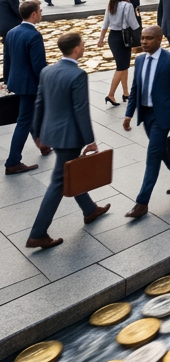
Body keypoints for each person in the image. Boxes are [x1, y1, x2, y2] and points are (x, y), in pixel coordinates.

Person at [24, 32, 109, 248]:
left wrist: (37, 133)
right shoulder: (78, 75)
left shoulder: (47, 71)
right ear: (77, 49)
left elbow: (39, 103)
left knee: (70, 173)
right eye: (83, 44)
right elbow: (81, 109)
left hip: (52, 132)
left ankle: (90, 210)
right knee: (58, 182)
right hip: (70, 137)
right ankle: (38, 233)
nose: (84, 46)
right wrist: (90, 140)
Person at [122, 25, 170, 219]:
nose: (143, 42)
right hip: (146, 115)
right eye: (142, 38)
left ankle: (142, 202)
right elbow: (135, 89)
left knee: (152, 156)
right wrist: (129, 114)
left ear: (160, 39)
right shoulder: (140, 60)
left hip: (164, 116)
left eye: (149, 38)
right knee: (160, 151)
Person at [4, 1, 48, 175]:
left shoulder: (11, 32)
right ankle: (13, 161)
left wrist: (8, 80)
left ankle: (42, 144)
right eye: (40, 10)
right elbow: (38, 66)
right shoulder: (34, 36)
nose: (41, 12)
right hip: (30, 85)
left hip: (16, 82)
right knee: (24, 120)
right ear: (34, 14)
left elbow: (7, 59)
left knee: (27, 115)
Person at [98, 0, 140, 107]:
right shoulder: (127, 6)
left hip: (113, 37)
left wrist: (101, 39)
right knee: (121, 67)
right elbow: (133, 24)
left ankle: (126, 93)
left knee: (123, 65)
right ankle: (111, 94)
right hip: (124, 38)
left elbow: (105, 24)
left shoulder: (111, 5)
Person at [0, 0, 19, 84]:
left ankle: (7, 77)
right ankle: (10, 77)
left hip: (3, 27)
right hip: (11, 27)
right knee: (12, 53)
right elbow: (17, 10)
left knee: (7, 52)